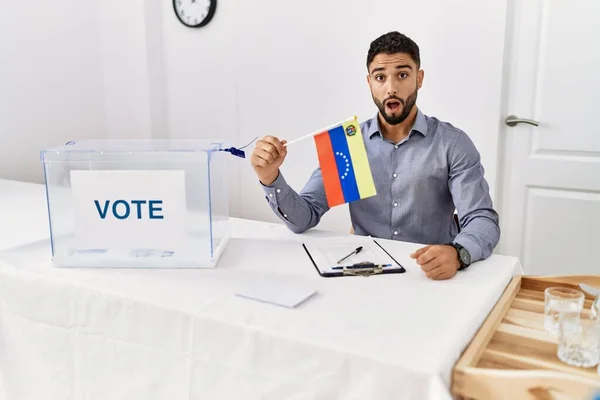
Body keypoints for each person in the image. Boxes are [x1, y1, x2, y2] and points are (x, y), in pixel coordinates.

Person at [250, 31, 500, 280]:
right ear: (369, 82)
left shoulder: (452, 143)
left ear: (419, 78)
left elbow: (481, 219)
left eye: (402, 75)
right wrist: (270, 177)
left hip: (430, 276)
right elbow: (304, 218)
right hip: (365, 272)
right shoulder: (349, 144)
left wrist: (458, 253)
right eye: (381, 77)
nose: (391, 88)